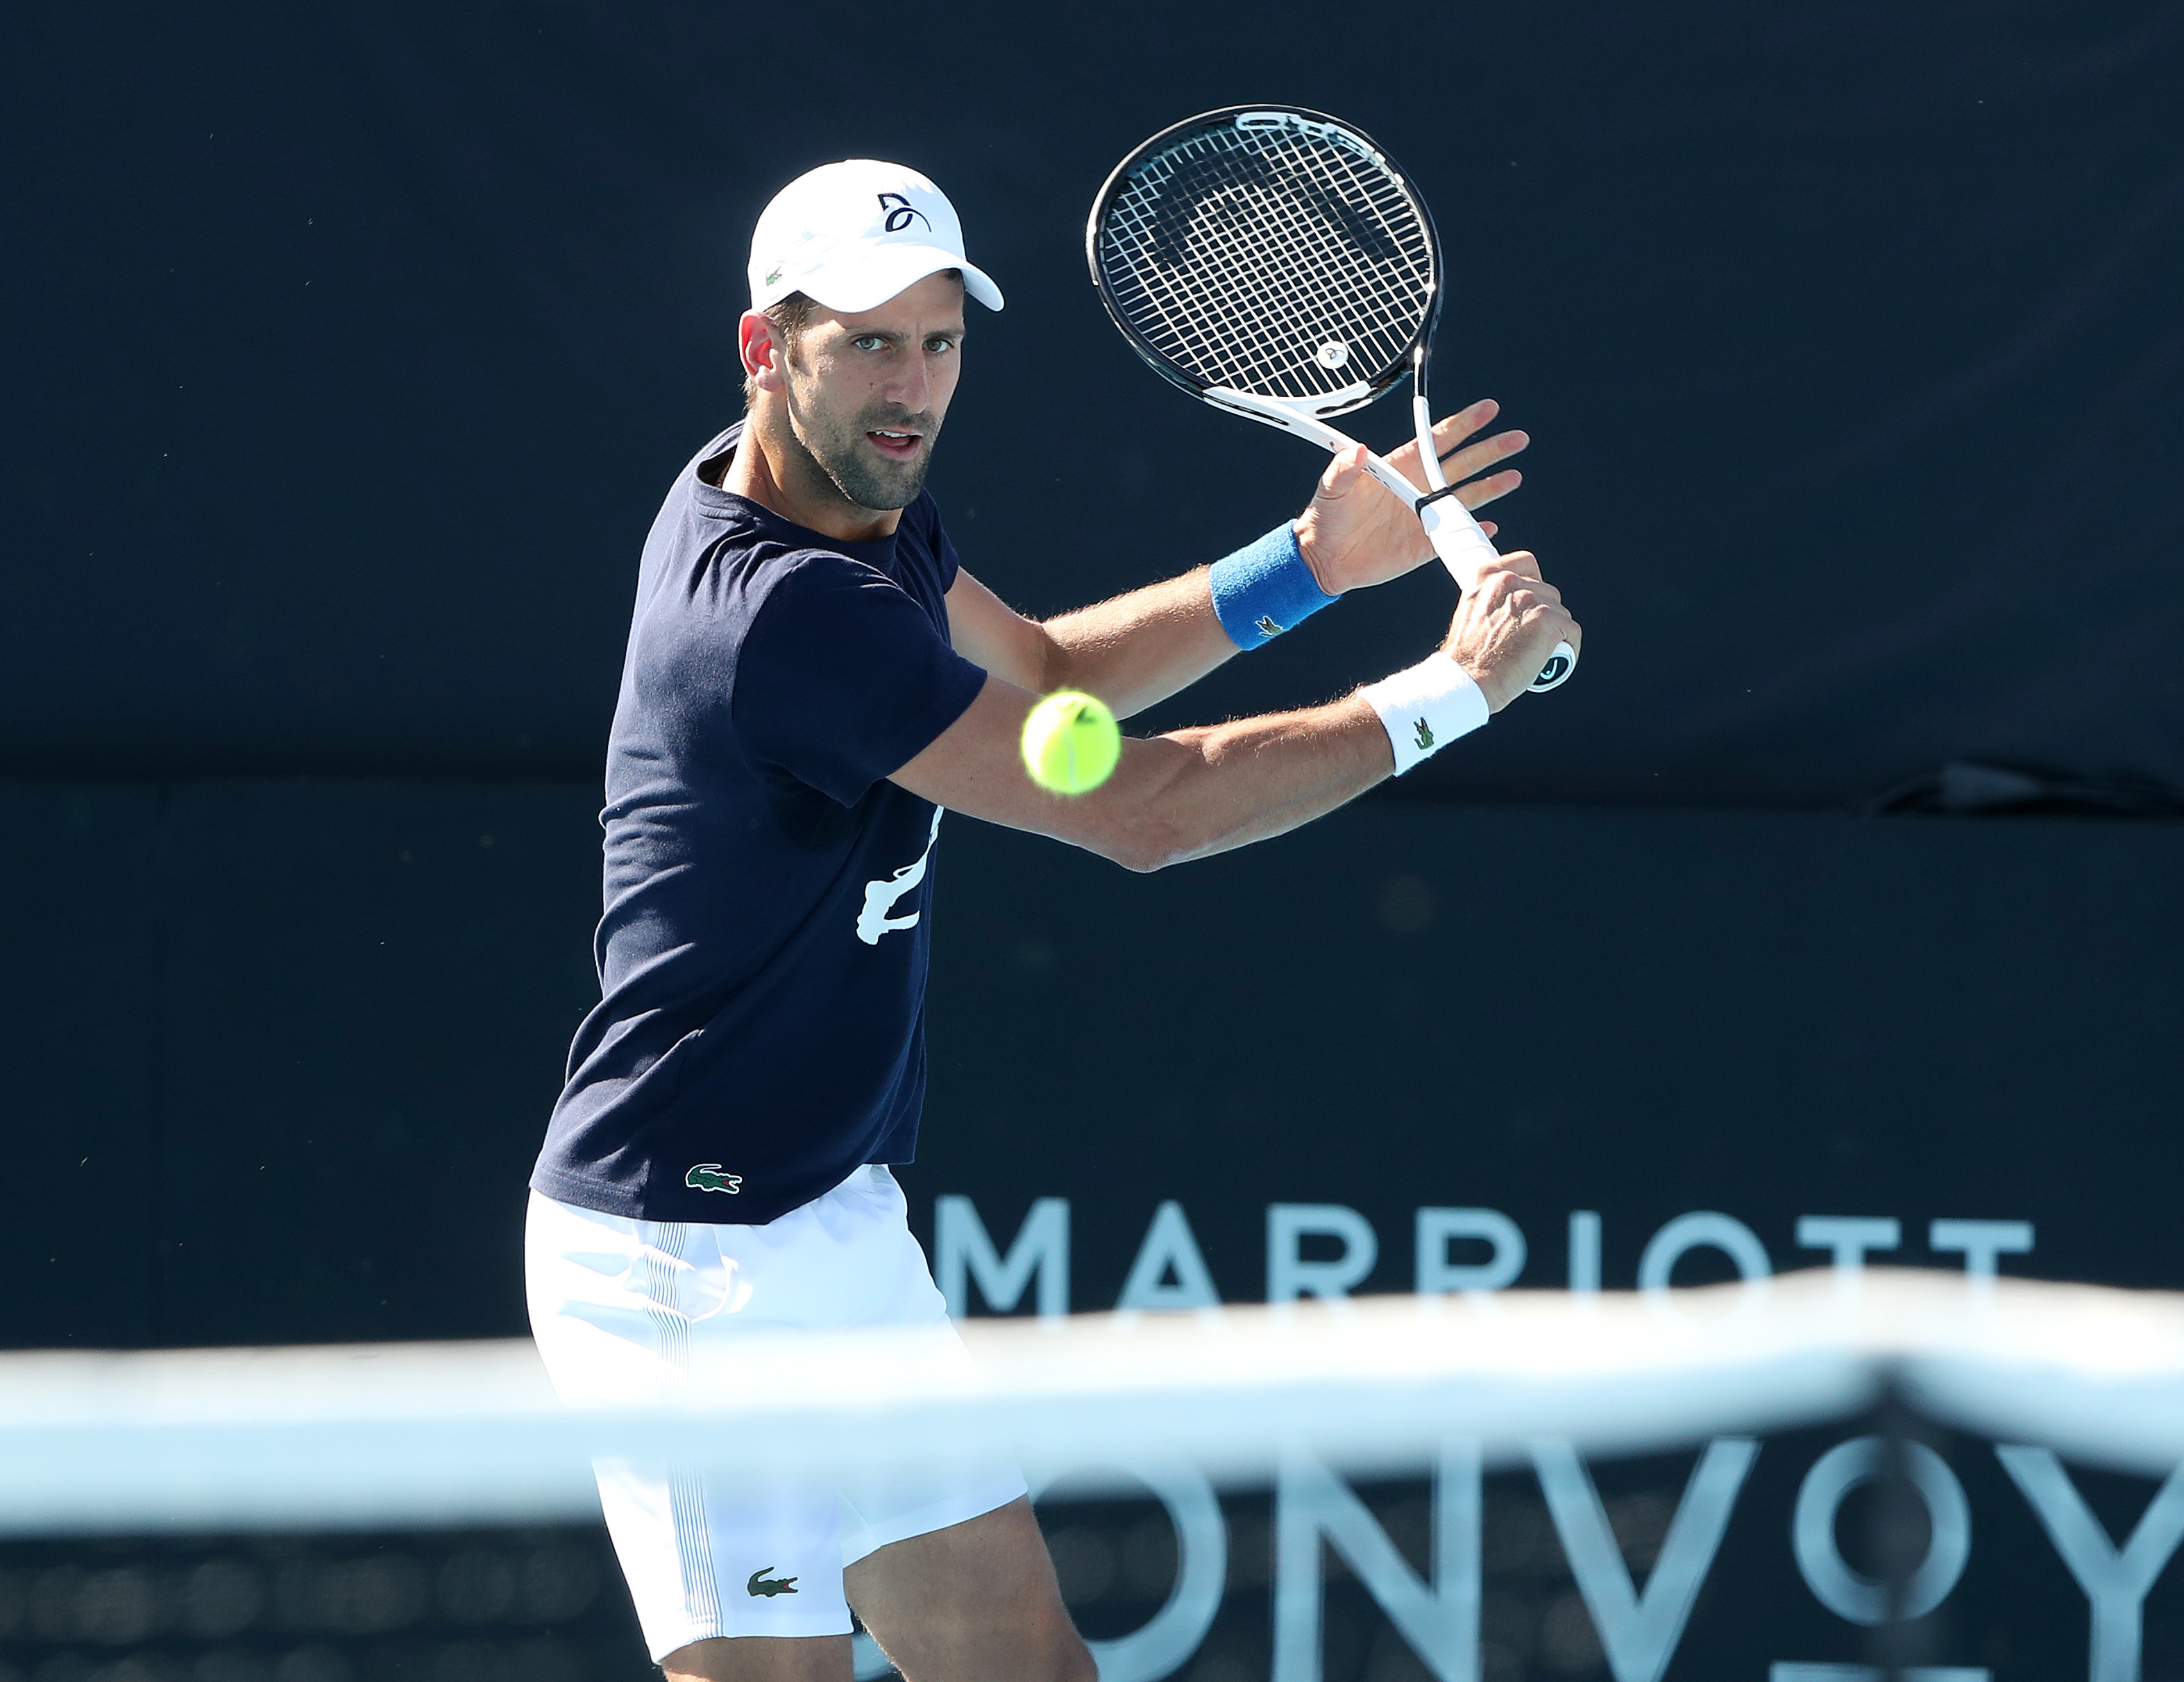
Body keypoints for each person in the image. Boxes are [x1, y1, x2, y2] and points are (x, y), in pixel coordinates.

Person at [523, 159, 1579, 1682]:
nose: (912, 389)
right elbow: (1139, 808)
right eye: (867, 344)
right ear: (767, 349)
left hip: (829, 1222)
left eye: (938, 342)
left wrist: (1309, 567)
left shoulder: (858, 513)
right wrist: (1447, 694)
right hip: (680, 1259)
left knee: (1027, 1668)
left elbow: (1048, 688)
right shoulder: (783, 620)